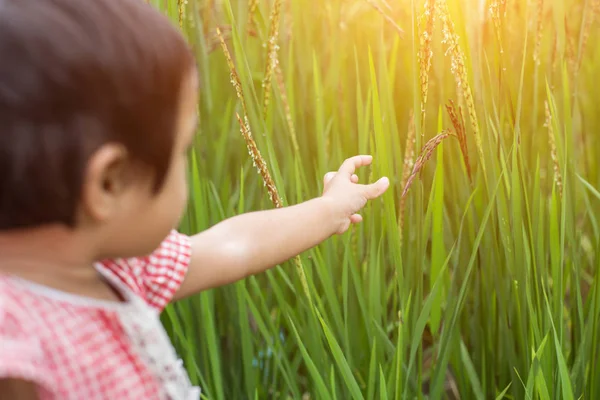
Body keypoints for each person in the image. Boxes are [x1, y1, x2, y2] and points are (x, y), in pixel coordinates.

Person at [0, 0, 390, 399]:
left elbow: (235, 245)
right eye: (183, 150)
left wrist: (327, 209)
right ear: (109, 184)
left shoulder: (116, 269)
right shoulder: (15, 349)